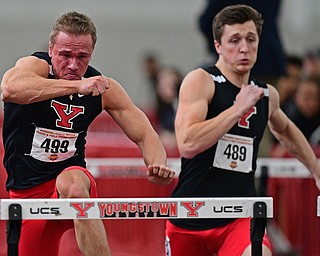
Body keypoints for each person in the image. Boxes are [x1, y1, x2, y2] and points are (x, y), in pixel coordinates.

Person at [0, 11, 175, 256]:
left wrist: (158, 163)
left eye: (82, 57)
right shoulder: (34, 67)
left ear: (91, 54)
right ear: (51, 50)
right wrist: (76, 85)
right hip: (27, 195)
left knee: (73, 184)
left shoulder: (101, 86)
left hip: (71, 180)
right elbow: (10, 88)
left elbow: (144, 132)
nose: (73, 64)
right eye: (65, 55)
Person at [165, 5, 320, 256]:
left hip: (238, 216)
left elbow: (286, 130)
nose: (244, 48)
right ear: (218, 45)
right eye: (234, 40)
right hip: (191, 215)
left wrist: (315, 167)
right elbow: (188, 144)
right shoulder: (201, 81)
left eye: (251, 39)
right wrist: (238, 109)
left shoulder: (265, 94)